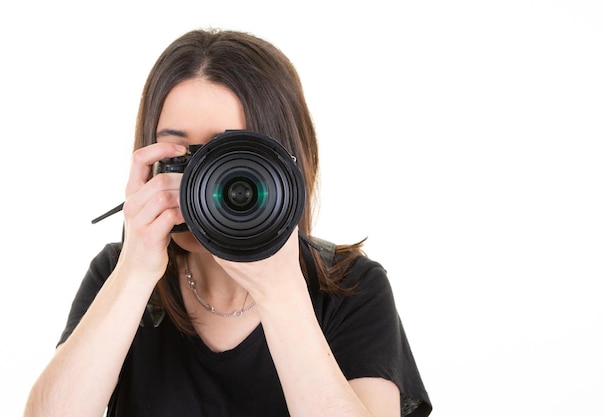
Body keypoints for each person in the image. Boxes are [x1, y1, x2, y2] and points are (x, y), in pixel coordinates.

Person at [24, 28, 432, 417]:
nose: (205, 183)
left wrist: (281, 293)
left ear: (285, 163)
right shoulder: (119, 275)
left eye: (227, 157)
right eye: (182, 156)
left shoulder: (352, 287)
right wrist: (134, 272)